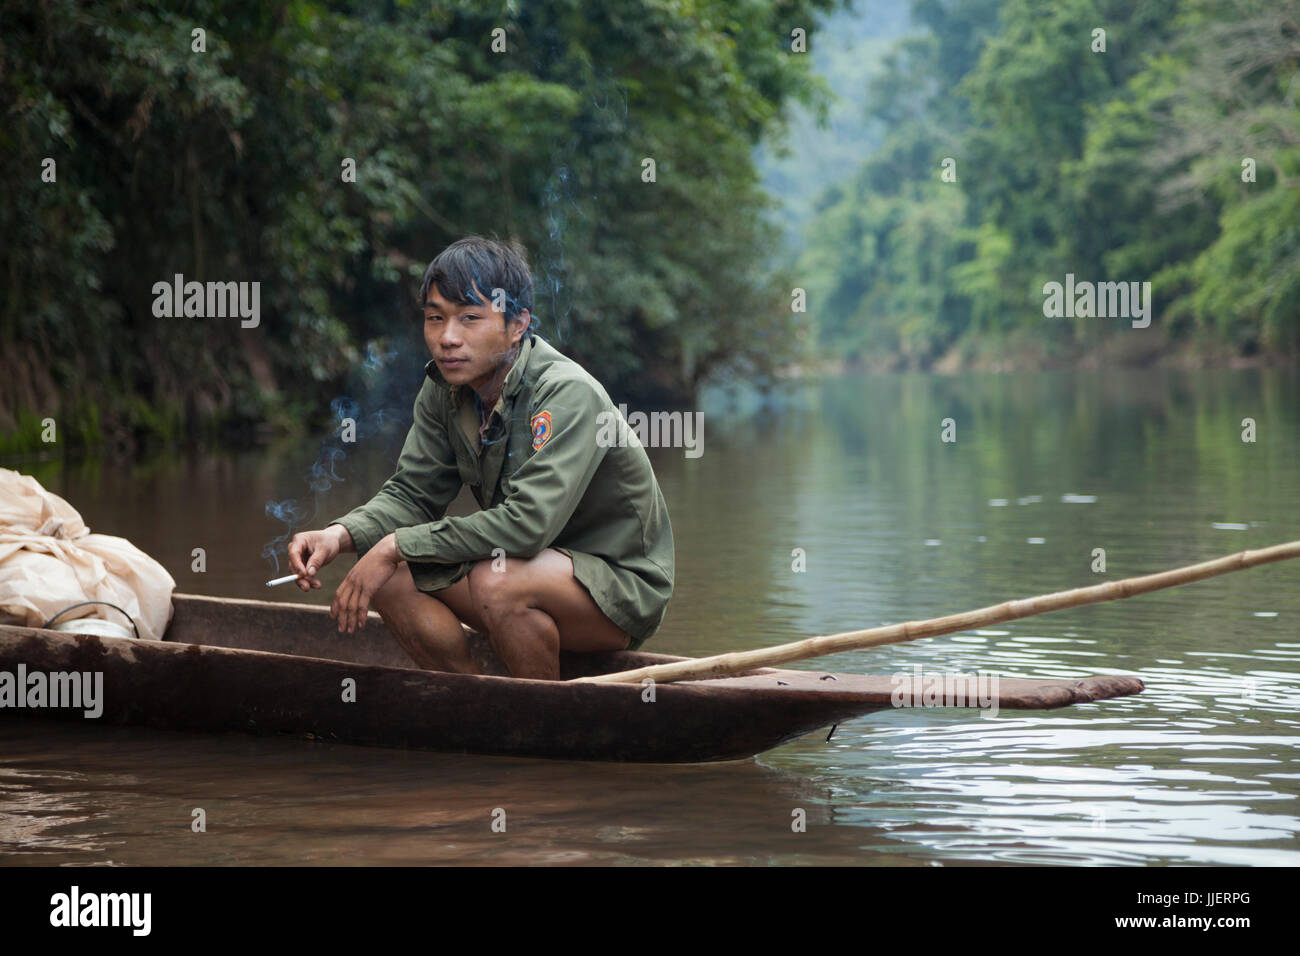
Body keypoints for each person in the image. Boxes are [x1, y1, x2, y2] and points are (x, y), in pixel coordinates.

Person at [287, 235, 675, 680]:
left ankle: (541, 718)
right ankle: (476, 698)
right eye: (435, 319)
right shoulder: (445, 388)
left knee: (493, 577)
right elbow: (413, 495)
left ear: (517, 325)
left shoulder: (566, 393)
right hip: (523, 570)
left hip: (617, 591)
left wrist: (397, 544)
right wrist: (339, 535)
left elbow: (527, 524)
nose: (448, 338)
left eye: (470, 318)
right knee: (384, 573)